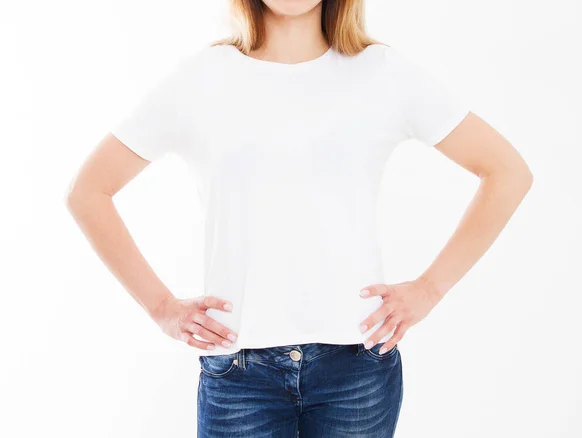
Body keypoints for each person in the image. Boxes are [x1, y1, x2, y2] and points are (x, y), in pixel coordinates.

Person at [65, 0, 533, 436]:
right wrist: (161, 307)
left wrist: (431, 288)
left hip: (357, 370)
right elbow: (88, 192)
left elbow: (508, 172)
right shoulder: (202, 78)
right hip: (239, 373)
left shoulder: (383, 73)